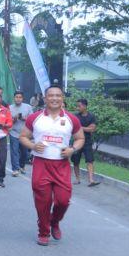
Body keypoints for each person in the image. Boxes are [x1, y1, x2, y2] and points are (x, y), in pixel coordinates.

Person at [19, 86, 84, 245]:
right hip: (41, 164)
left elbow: (80, 138)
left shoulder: (71, 119)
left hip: (61, 165)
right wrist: (33, 146)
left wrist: (72, 149)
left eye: (58, 96)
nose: (54, 98)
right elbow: (23, 137)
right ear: (45, 98)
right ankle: (43, 232)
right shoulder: (35, 118)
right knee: (43, 201)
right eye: (51, 96)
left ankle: (54, 221)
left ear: (62, 98)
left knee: (63, 201)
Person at [71, 98, 99, 186]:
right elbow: (74, 128)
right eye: (77, 106)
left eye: (79, 106)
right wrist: (86, 128)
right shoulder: (75, 116)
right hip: (77, 141)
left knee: (90, 160)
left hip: (87, 141)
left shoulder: (91, 116)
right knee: (76, 161)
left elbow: (92, 129)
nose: (77, 108)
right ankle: (77, 179)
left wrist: (80, 127)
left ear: (85, 106)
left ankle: (91, 180)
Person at [9, 91, 34, 176]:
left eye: (20, 97)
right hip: (13, 132)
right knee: (14, 152)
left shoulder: (28, 107)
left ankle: (22, 166)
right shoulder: (10, 108)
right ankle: (15, 169)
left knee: (24, 153)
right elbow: (8, 121)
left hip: (25, 134)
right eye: (16, 97)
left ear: (22, 98)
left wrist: (24, 118)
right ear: (14, 98)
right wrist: (14, 119)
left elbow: (32, 120)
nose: (18, 99)